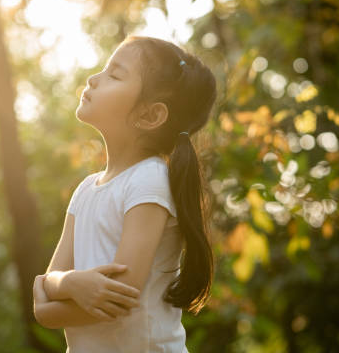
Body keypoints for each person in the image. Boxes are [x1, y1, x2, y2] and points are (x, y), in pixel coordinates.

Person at [32, 35, 217, 352]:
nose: (93, 79)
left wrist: (52, 289)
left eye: (115, 75)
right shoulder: (85, 190)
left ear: (150, 116)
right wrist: (69, 283)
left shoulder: (149, 180)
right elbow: (44, 303)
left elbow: (116, 300)